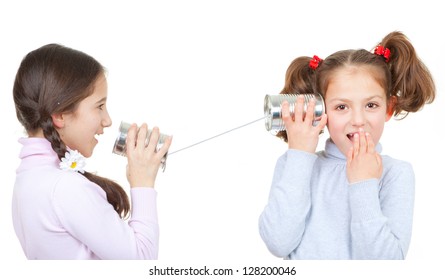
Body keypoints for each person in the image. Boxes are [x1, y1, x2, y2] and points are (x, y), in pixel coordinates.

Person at [258, 31, 435, 259]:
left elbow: (385, 265)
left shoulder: (396, 174)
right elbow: (278, 243)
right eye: (342, 107)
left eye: (371, 105)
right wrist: (299, 155)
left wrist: (363, 184)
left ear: (389, 108)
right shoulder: (295, 164)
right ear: (320, 111)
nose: (358, 120)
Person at [12, 44, 172, 259]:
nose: (107, 120)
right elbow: (142, 261)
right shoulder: (64, 188)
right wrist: (142, 183)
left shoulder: (28, 180)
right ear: (60, 115)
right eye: (99, 106)